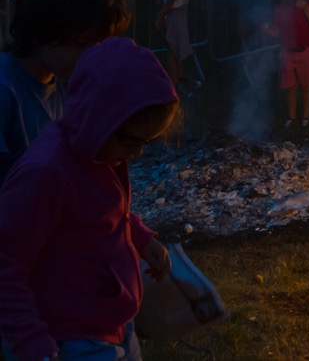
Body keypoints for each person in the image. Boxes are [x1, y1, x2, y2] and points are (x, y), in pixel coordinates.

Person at [0, 38, 178, 361]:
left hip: (113, 324)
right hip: (70, 339)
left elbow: (99, 212)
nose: (136, 153)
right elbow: (5, 265)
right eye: (132, 141)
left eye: (147, 142)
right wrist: (33, 345)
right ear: (99, 116)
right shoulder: (46, 174)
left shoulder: (102, 151)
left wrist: (137, 235)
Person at [0, 0, 129, 185]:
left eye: (99, 45)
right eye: (83, 43)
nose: (92, 56)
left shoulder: (66, 82)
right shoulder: (5, 92)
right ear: (41, 32)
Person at [265, 0, 309, 133]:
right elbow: (276, 33)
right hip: (287, 53)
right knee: (290, 88)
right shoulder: (280, 9)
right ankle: (291, 117)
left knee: (306, 87)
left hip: (305, 52)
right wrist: (266, 30)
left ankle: (305, 118)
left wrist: (306, 9)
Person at [154, 0, 200, 90]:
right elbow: (169, 3)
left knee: (177, 48)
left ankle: (180, 77)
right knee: (174, 50)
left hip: (177, 16)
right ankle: (175, 82)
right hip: (175, 17)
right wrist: (159, 18)